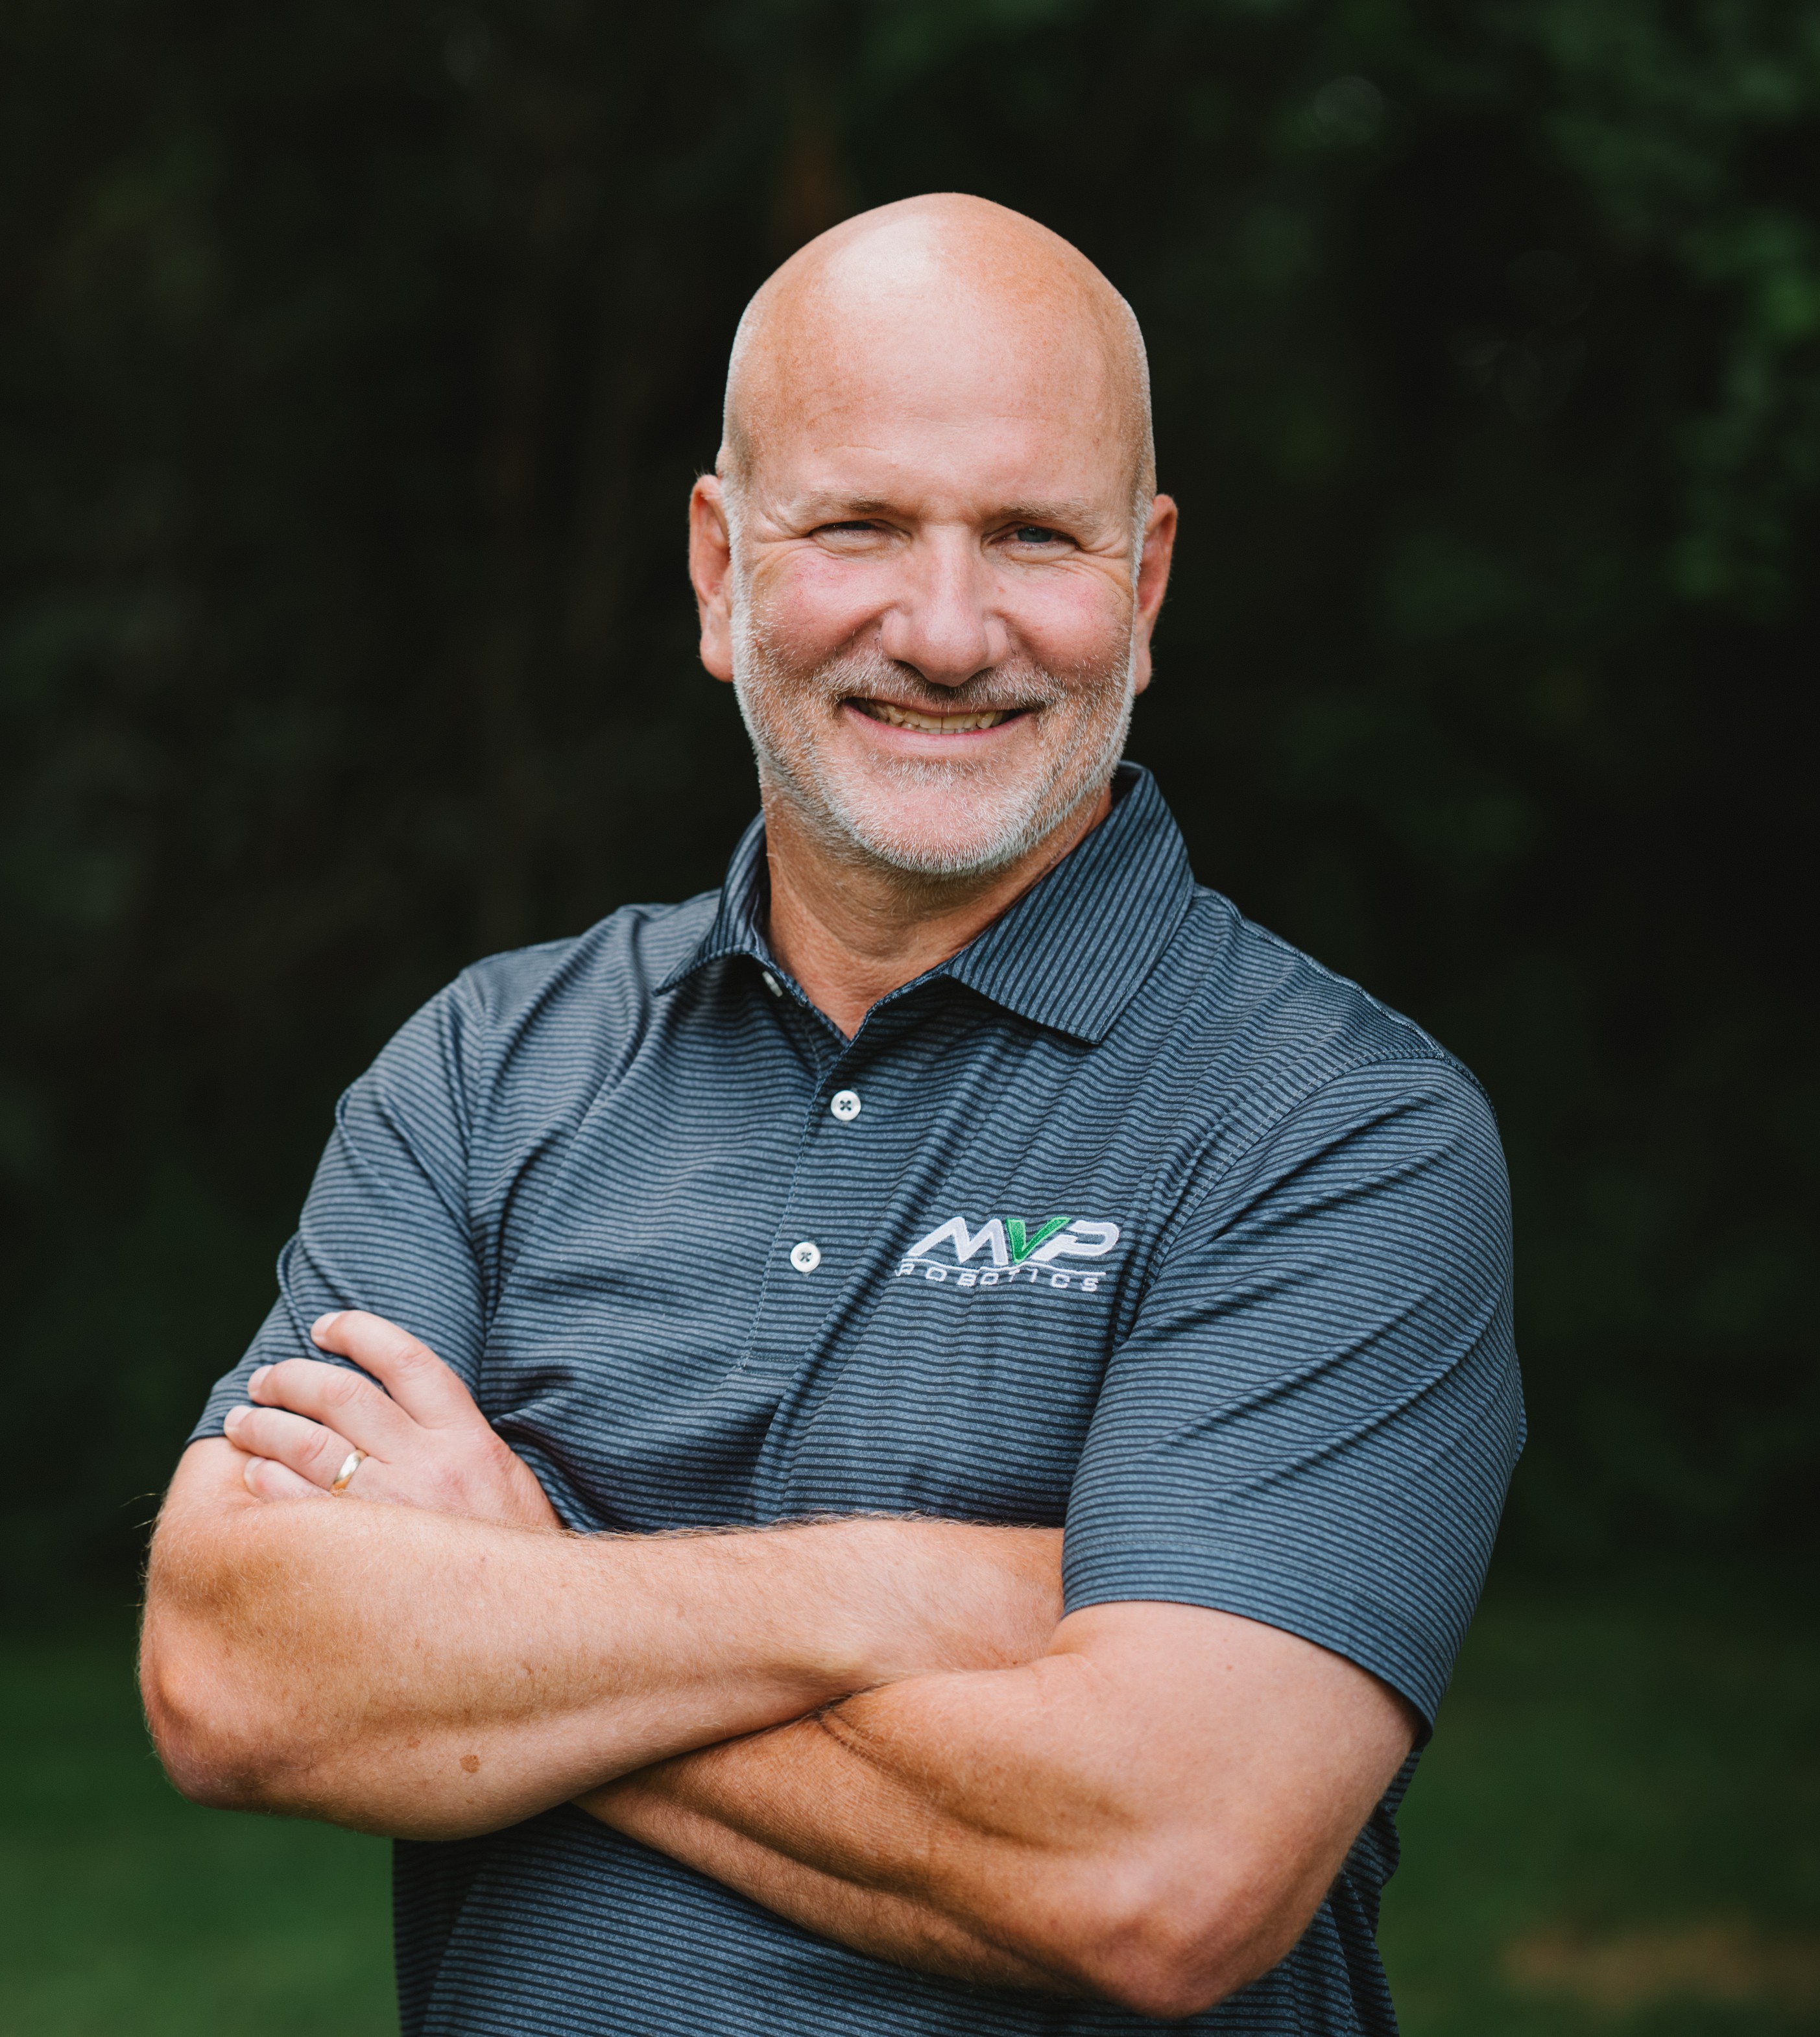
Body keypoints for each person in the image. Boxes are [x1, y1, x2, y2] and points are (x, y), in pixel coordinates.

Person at [140, 193, 1522, 2036]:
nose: (944, 631)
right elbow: (232, 1671)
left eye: (1032, 535)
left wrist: (518, 1599)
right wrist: (919, 1596)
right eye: (860, 526)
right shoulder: (487, 1070)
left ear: (1145, 586)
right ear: (719, 569)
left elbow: (1162, 1873)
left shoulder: (1337, 1130)